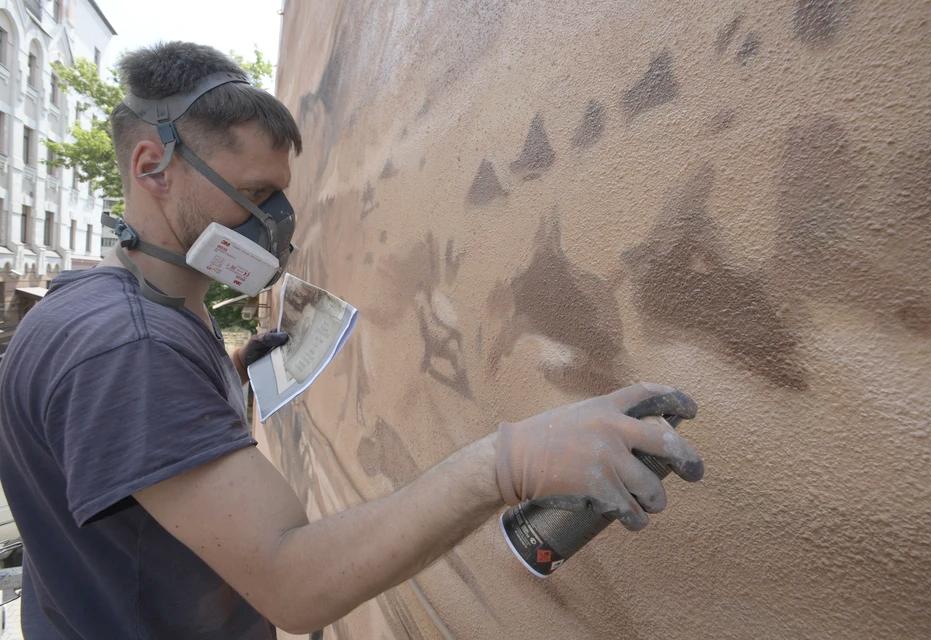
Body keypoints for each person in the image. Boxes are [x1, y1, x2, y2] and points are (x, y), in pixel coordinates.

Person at [0, 42, 705, 638]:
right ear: (152, 166)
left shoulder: (111, 305)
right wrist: (509, 462)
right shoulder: (129, 350)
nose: (276, 223)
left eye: (280, 196)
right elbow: (294, 581)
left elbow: (130, 450)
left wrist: (236, 374)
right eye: (254, 193)